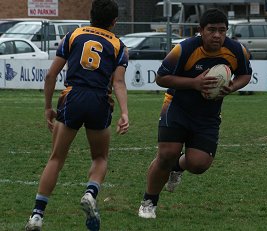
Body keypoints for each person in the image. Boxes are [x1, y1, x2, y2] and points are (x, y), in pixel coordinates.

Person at [138, 8, 252, 219]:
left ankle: (178, 167)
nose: (217, 35)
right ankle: (149, 201)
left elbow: (245, 74)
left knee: (198, 165)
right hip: (177, 107)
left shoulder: (236, 50)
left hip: (208, 116)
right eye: (211, 30)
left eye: (222, 30)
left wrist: (233, 86)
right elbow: (161, 78)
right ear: (201, 30)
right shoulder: (184, 49)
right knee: (166, 154)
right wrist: (195, 83)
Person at [25, 0, 129, 230]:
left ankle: (36, 215)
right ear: (114, 21)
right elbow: (119, 81)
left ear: (90, 16)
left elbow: (51, 75)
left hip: (72, 97)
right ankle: (91, 193)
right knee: (100, 158)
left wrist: (47, 107)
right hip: (100, 100)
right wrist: (124, 112)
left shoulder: (73, 35)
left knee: (56, 158)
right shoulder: (119, 45)